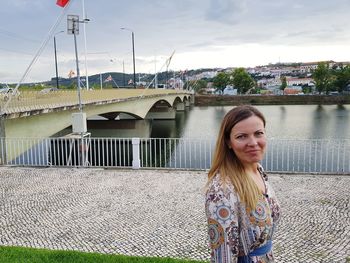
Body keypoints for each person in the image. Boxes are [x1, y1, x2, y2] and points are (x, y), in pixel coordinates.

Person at [205, 105, 281, 263]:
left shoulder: (258, 170)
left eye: (258, 133)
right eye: (242, 136)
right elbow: (223, 256)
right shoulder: (222, 190)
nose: (253, 143)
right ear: (228, 142)